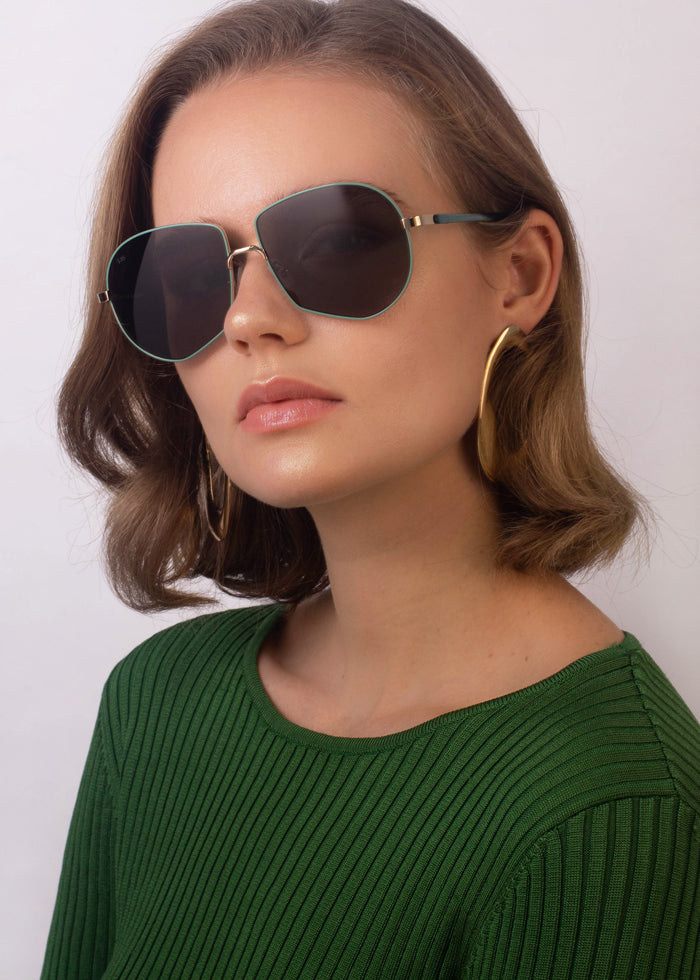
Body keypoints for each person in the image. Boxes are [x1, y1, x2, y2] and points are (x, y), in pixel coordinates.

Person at [41, 0, 700, 976]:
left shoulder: (610, 800)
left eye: (335, 242)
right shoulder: (157, 704)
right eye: (188, 272)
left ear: (517, 274)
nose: (249, 319)